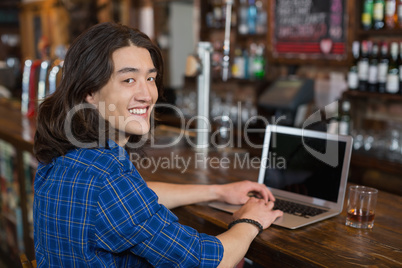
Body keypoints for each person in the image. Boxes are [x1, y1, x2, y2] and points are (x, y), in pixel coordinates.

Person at [33, 22, 283, 267]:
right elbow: (205, 261)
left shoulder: (66, 157)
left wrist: (218, 191)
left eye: (150, 78)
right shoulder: (108, 180)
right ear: (89, 91)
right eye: (129, 80)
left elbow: (135, 197)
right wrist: (250, 221)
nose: (147, 94)